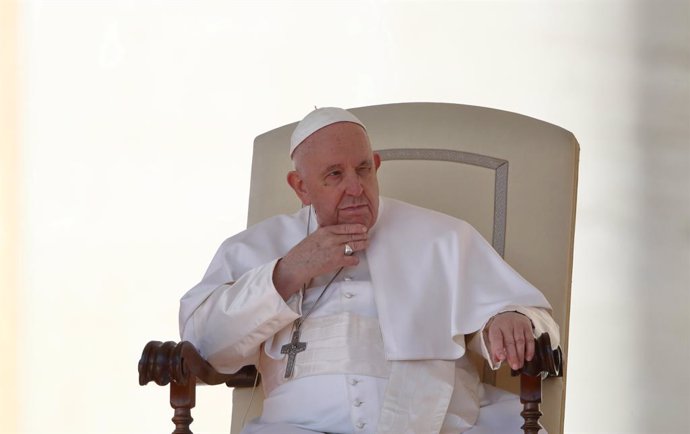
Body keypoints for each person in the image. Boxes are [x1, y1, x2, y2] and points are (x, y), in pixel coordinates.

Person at [179, 107, 559, 434]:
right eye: (334, 175)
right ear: (301, 187)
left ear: (376, 166)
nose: (356, 188)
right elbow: (202, 342)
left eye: (363, 169)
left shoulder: (442, 236)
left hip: (438, 423)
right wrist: (287, 273)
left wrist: (510, 318)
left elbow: (528, 313)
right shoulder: (256, 246)